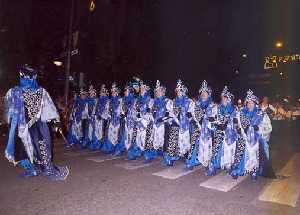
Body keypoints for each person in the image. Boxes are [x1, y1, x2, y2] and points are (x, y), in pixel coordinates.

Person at [4, 65, 69, 180]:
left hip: (34, 126)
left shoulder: (37, 92)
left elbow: (49, 109)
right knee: (23, 148)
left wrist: (56, 122)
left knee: (41, 147)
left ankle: (45, 168)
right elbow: (9, 110)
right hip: (24, 126)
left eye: (23, 76)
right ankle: (32, 169)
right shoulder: (15, 92)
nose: (23, 78)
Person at [231, 89, 264, 181]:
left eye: (251, 103)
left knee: (253, 154)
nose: (249, 104)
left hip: (254, 138)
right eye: (248, 103)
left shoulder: (260, 113)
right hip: (243, 136)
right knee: (240, 152)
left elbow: (264, 126)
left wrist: (257, 129)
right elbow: (236, 122)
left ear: (255, 103)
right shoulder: (241, 112)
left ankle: (254, 171)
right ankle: (237, 170)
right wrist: (238, 129)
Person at [208, 86, 237, 175]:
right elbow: (211, 119)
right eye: (223, 98)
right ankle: (213, 167)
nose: (224, 100)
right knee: (216, 148)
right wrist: (216, 124)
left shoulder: (234, 109)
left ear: (229, 99)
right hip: (219, 131)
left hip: (230, 133)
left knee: (229, 149)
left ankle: (229, 166)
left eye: (226, 98)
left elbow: (236, 122)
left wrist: (228, 125)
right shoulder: (217, 108)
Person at [163, 79, 192, 166]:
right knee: (173, 139)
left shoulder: (189, 101)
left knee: (186, 142)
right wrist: (170, 119)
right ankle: (170, 158)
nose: (178, 92)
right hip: (176, 124)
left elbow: (192, 114)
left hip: (186, 125)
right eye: (177, 91)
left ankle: (187, 157)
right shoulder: (173, 102)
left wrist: (189, 117)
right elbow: (170, 113)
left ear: (184, 92)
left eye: (180, 91)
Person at [143, 80, 173, 162]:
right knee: (151, 139)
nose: (158, 93)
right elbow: (148, 112)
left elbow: (170, 115)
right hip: (154, 124)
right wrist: (150, 117)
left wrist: (162, 119)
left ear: (163, 92)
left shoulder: (168, 101)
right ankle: (150, 155)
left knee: (165, 141)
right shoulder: (152, 102)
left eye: (160, 91)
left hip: (164, 125)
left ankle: (167, 158)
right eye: (156, 91)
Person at [128, 81, 153, 160]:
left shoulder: (150, 100)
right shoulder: (137, 99)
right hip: (138, 121)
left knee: (146, 138)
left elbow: (150, 111)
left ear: (146, 90)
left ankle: (148, 155)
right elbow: (133, 109)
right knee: (137, 138)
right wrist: (136, 115)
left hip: (146, 122)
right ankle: (135, 153)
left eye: (143, 88)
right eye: (141, 88)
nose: (141, 90)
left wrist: (143, 115)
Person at [102, 83, 123, 154]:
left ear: (117, 92)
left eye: (115, 92)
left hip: (118, 120)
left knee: (117, 135)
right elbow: (106, 110)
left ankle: (117, 149)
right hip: (111, 120)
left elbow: (122, 110)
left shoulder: (120, 100)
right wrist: (108, 115)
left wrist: (120, 114)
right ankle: (109, 148)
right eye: (112, 92)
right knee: (110, 134)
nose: (113, 93)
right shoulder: (109, 101)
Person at [89, 84, 110, 150]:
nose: (101, 93)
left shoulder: (108, 100)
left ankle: (100, 144)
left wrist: (102, 116)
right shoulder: (97, 100)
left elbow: (107, 110)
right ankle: (95, 144)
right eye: (101, 92)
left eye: (103, 92)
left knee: (102, 132)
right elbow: (95, 108)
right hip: (97, 118)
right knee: (96, 132)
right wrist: (96, 114)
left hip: (103, 119)